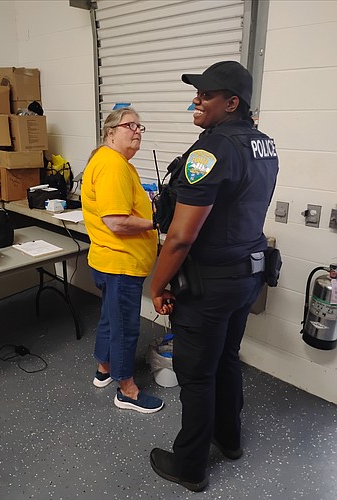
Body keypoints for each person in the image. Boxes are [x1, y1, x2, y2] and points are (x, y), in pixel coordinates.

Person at [149, 61, 279, 491]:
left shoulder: (211, 151)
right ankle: (230, 440)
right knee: (226, 360)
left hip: (210, 284)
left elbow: (181, 238)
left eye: (206, 95)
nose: (196, 100)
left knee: (197, 374)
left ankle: (190, 467)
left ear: (232, 102)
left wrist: (157, 284)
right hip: (248, 276)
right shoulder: (264, 144)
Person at [81, 107, 164, 414]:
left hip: (111, 261)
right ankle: (126, 390)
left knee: (109, 319)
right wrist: (157, 222)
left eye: (141, 126)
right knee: (126, 328)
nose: (138, 131)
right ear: (110, 131)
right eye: (130, 125)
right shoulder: (113, 165)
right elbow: (116, 222)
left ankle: (104, 369)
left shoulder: (117, 162)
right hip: (120, 265)